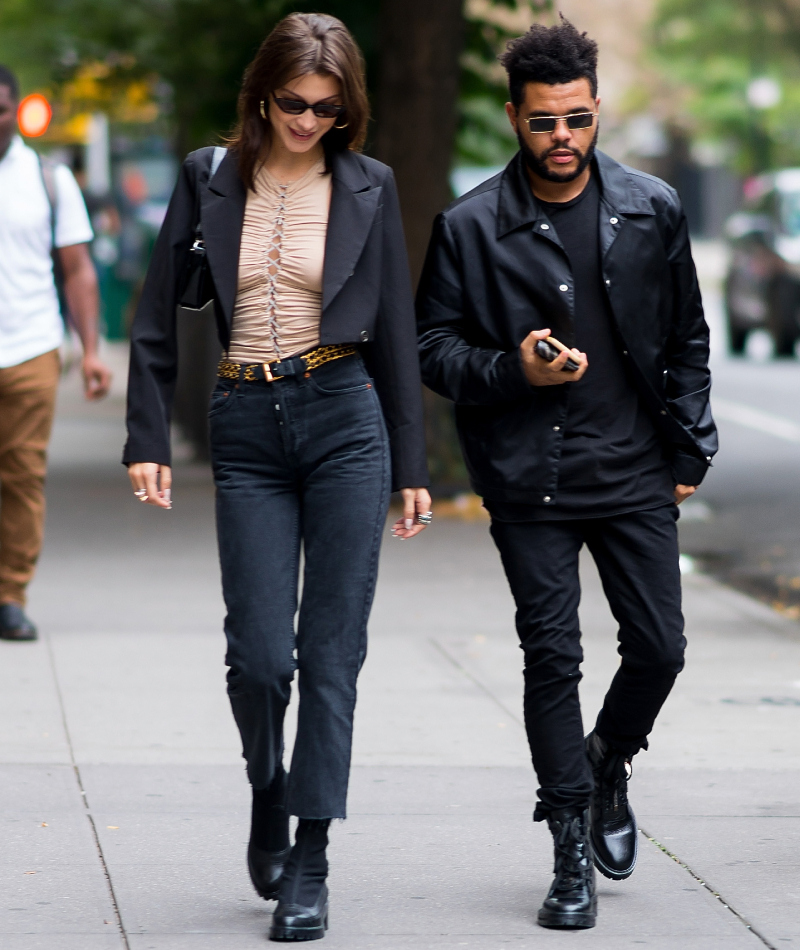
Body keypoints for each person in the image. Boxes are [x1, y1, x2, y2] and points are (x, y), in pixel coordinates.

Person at [123, 13, 430, 943]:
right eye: (294, 103)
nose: (309, 121)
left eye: (329, 109)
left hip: (345, 417)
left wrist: (411, 463)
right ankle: (268, 782)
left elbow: (398, 338)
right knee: (259, 656)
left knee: (331, 652)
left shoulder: (367, 185)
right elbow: (152, 311)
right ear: (263, 94)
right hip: (246, 422)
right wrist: (146, 435)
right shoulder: (209, 177)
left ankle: (311, 852)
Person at [416, 17, 717, 931]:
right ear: (514, 117)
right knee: (552, 656)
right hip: (528, 477)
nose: (562, 140)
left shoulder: (651, 207)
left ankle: (607, 763)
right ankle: (567, 851)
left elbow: (690, 340)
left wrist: (690, 447)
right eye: (543, 122)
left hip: (634, 472)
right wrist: (516, 368)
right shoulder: (470, 226)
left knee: (660, 648)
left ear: (597, 112)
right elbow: (432, 351)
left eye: (577, 121)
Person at [0, 65, 112, 642]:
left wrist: (90, 350)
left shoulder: (48, 178)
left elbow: (77, 269)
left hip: (30, 347)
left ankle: (10, 594)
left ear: (15, 109)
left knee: (20, 474)